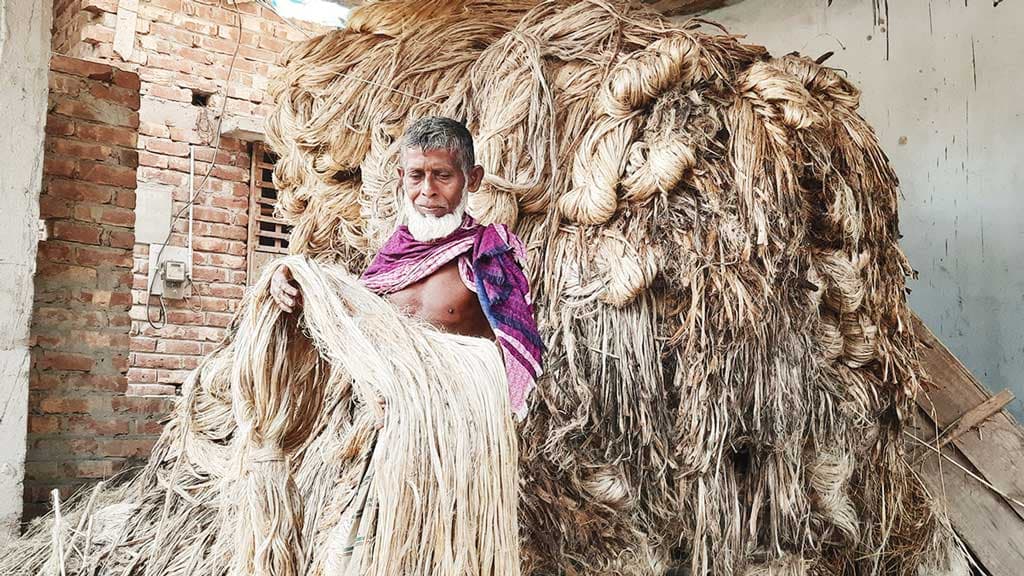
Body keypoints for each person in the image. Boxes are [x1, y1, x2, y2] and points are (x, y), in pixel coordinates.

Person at [270, 115, 543, 418]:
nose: (428, 190)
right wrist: (294, 278)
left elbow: (515, 351)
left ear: (472, 178)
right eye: (416, 176)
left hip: (459, 432)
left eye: (443, 175)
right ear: (401, 177)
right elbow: (344, 326)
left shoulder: (488, 256)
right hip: (384, 432)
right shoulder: (391, 257)